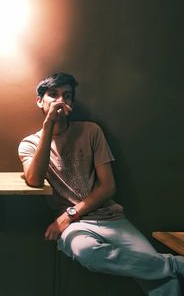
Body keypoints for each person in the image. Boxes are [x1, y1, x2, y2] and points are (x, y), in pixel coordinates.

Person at [18, 72, 184, 296]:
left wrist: (71, 213)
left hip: (109, 218)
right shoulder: (29, 144)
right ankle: (176, 264)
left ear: (72, 103)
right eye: (53, 95)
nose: (60, 101)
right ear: (39, 101)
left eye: (67, 96)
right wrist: (48, 126)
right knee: (88, 252)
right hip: (75, 227)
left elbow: (108, 187)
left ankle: (170, 269)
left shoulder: (90, 131)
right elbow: (34, 180)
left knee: (165, 282)